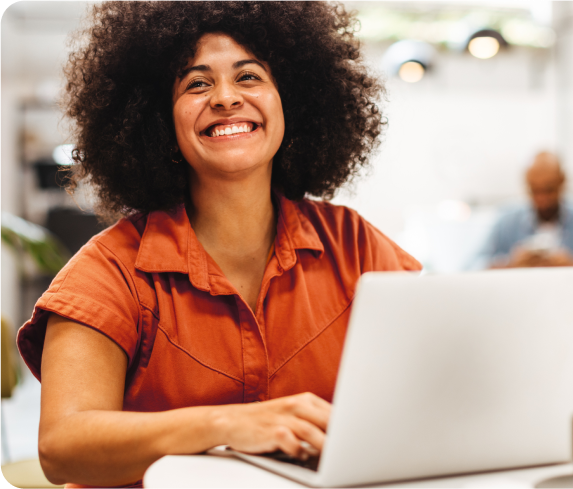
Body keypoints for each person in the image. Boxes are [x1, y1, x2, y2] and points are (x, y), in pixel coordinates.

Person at [16, 1, 421, 488]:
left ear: (290, 102)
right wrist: (225, 425)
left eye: (249, 77)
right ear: (160, 122)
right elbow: (64, 448)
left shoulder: (354, 247)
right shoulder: (109, 271)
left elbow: (438, 382)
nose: (226, 98)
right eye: (197, 83)